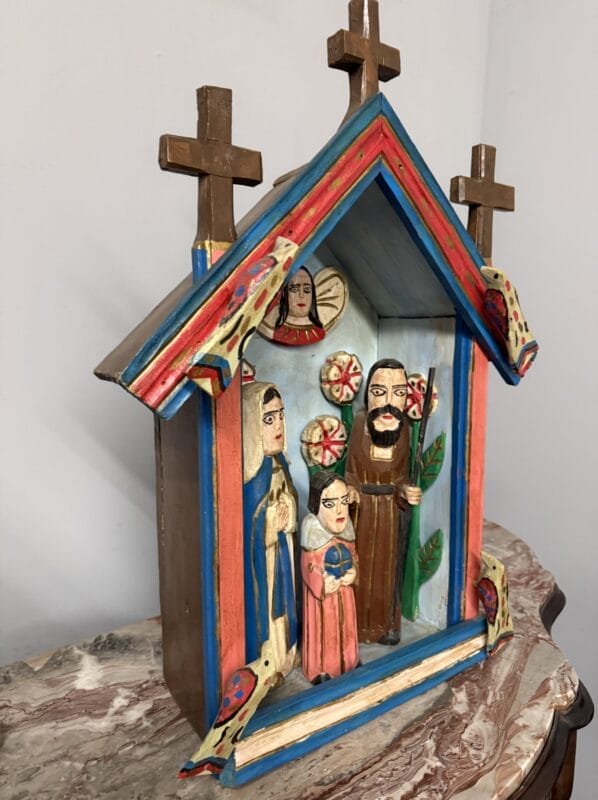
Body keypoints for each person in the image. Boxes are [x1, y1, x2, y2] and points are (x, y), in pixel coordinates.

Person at [345, 358, 421, 645]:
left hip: (390, 513)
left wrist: (406, 491)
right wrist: (351, 489)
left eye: (398, 393)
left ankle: (386, 625)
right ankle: (357, 626)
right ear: (368, 395)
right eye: (379, 392)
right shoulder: (360, 424)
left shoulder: (405, 430)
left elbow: (402, 476)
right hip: (363, 511)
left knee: (387, 571)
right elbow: (351, 470)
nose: (388, 402)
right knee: (361, 568)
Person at [242, 381, 298, 678]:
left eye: (280, 416)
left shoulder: (280, 464)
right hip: (265, 561)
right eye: (268, 419)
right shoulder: (251, 476)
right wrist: (269, 521)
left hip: (283, 552)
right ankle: (271, 661)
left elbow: (291, 501)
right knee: (268, 609)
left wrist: (289, 512)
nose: (278, 425)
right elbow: (248, 524)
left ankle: (287, 656)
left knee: (286, 606)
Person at [300, 472, 359, 684]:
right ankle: (321, 668)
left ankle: (350, 660)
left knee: (347, 627)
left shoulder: (347, 529)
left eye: (344, 501)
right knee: (323, 633)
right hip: (322, 601)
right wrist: (322, 583)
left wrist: (354, 572)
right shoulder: (312, 533)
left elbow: (354, 556)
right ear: (316, 505)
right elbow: (307, 566)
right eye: (330, 504)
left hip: (344, 593)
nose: (339, 510)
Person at [271, 266, 325, 346]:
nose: (301, 295)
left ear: (312, 294)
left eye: (307, 289)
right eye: (294, 289)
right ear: (285, 293)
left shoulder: (318, 332)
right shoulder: (278, 333)